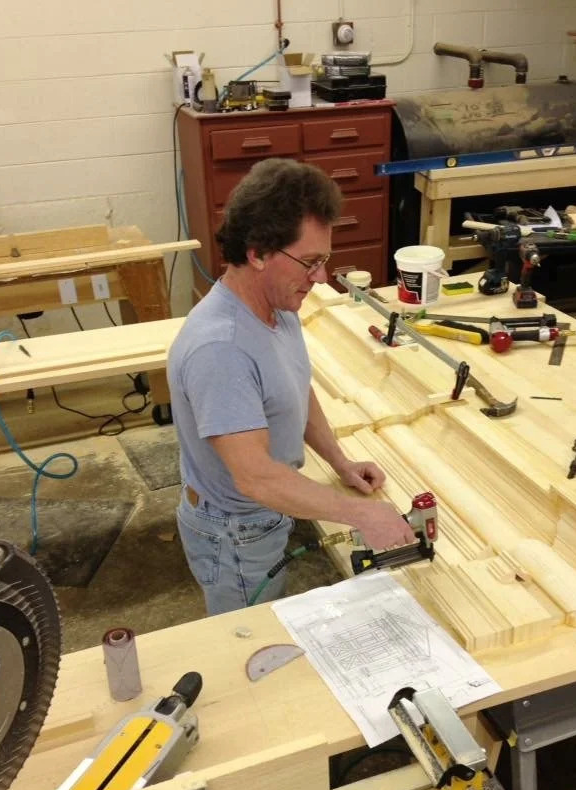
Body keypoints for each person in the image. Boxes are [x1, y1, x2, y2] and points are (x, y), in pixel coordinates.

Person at [167, 157, 414, 615]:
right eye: (310, 262)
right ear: (258, 253)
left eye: (324, 260)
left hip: (267, 509)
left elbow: (294, 390)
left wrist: (339, 462)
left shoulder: (279, 307)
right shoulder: (221, 349)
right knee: (246, 639)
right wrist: (360, 514)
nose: (320, 277)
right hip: (235, 531)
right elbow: (255, 476)